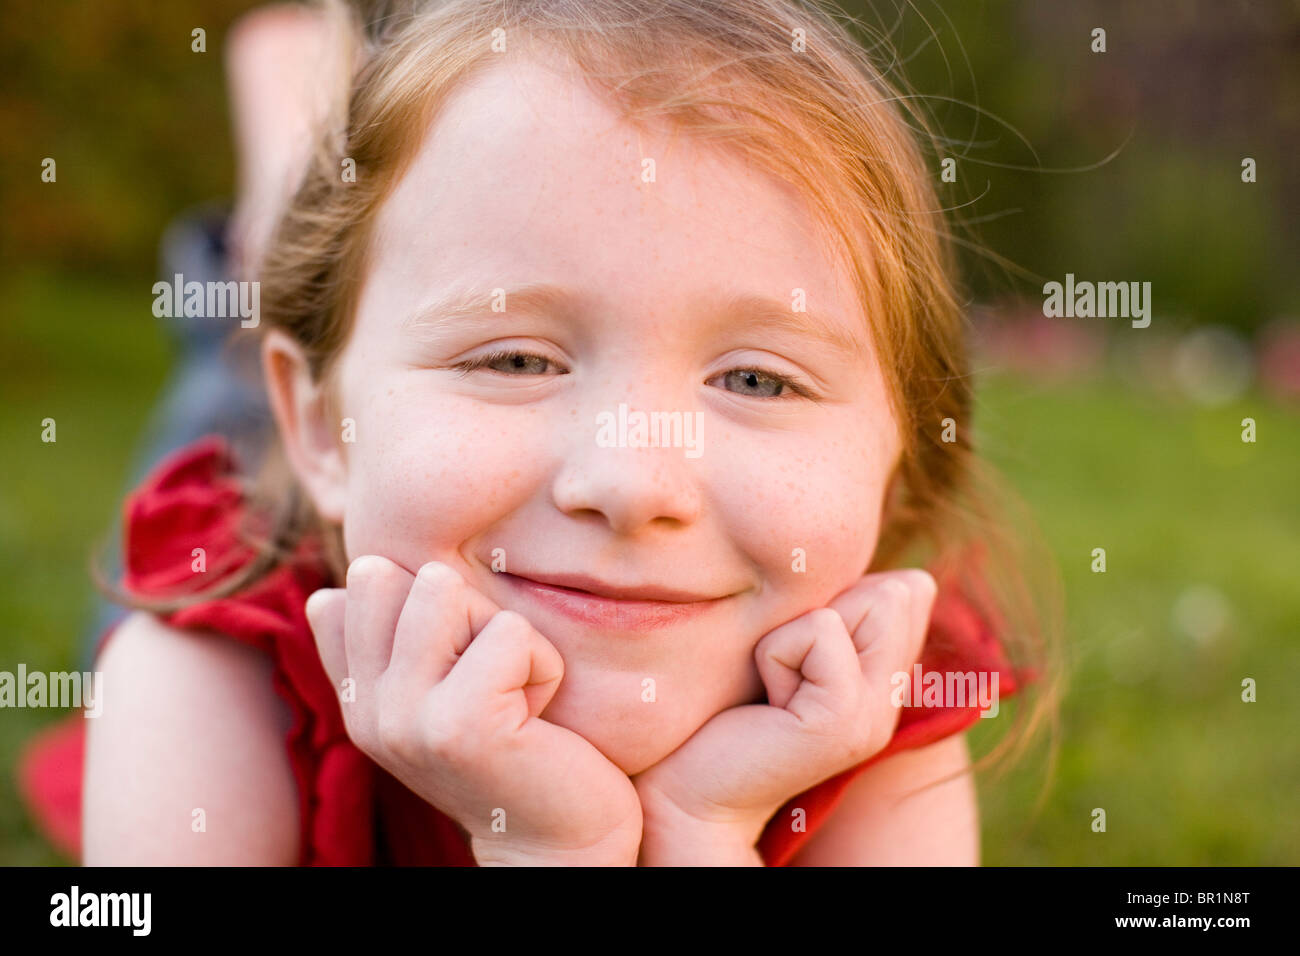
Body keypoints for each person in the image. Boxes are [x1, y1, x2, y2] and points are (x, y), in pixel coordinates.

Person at [20, 0, 1057, 866]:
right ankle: (283, 169)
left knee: (296, 296)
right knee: (234, 353)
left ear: (898, 451)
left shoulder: (873, 708)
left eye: (756, 377)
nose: (632, 481)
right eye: (515, 359)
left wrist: (690, 834)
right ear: (325, 433)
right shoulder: (201, 669)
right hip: (269, 517)